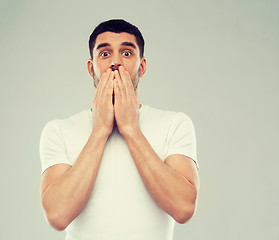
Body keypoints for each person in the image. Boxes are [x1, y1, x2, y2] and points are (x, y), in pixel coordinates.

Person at [39, 19, 199, 240]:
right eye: (104, 54)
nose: (115, 62)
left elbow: (183, 208)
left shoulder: (175, 124)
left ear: (141, 66)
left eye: (126, 53)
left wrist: (131, 129)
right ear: (90, 67)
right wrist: (100, 131)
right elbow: (57, 215)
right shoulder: (58, 130)